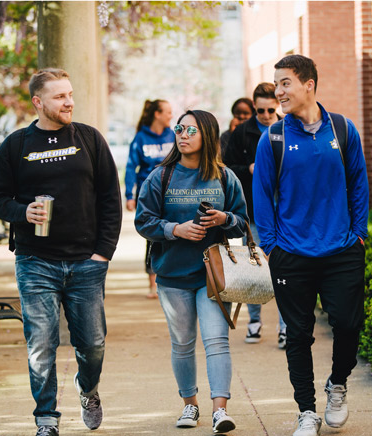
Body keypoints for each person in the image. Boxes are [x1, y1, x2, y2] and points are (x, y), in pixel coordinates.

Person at [0, 68, 122, 436]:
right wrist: (22, 212)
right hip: (35, 261)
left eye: (70, 94)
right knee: (41, 346)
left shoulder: (89, 139)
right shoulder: (16, 146)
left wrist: (103, 253)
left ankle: (87, 388)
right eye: (60, 96)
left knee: (92, 344)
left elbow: (111, 198)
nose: (69, 101)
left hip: (86, 263)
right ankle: (46, 419)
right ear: (38, 102)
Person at [252, 55, 369, 436]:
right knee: (298, 334)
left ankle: (338, 384)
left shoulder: (343, 129)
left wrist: (360, 234)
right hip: (291, 254)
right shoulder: (273, 138)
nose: (278, 91)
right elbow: (262, 194)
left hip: (341, 250)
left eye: (285, 83)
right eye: (276, 84)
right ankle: (306, 411)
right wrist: (271, 246)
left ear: (309, 85)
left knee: (349, 324)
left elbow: (358, 183)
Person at [135, 110, 248, 434]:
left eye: (191, 130)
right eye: (179, 129)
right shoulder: (161, 177)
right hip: (172, 275)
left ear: (207, 136)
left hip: (212, 276)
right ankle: (190, 404)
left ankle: (219, 410)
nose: (183, 135)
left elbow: (242, 220)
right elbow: (143, 221)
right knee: (183, 342)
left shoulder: (224, 177)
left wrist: (224, 219)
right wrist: (175, 229)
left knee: (217, 341)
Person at [223, 83, 286, 348]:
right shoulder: (242, 133)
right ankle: (255, 322)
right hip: (252, 212)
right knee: (255, 268)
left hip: (285, 212)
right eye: (260, 110)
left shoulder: (288, 128)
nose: (266, 114)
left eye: (271, 109)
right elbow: (226, 169)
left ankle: (286, 327)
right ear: (254, 106)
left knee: (284, 270)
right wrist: (248, 167)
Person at [125, 99, 175, 299]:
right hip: (148, 195)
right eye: (168, 112)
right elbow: (130, 166)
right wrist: (129, 195)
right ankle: (152, 284)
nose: (171, 116)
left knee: (172, 232)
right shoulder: (140, 138)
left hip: (171, 193)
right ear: (157, 114)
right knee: (152, 236)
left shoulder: (172, 135)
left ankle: (171, 278)